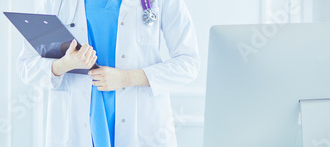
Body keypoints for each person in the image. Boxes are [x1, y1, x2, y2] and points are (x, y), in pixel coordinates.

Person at [17, 0, 199, 146]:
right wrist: (64, 64)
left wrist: (127, 78)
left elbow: (188, 62)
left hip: (139, 124)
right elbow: (27, 66)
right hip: (79, 124)